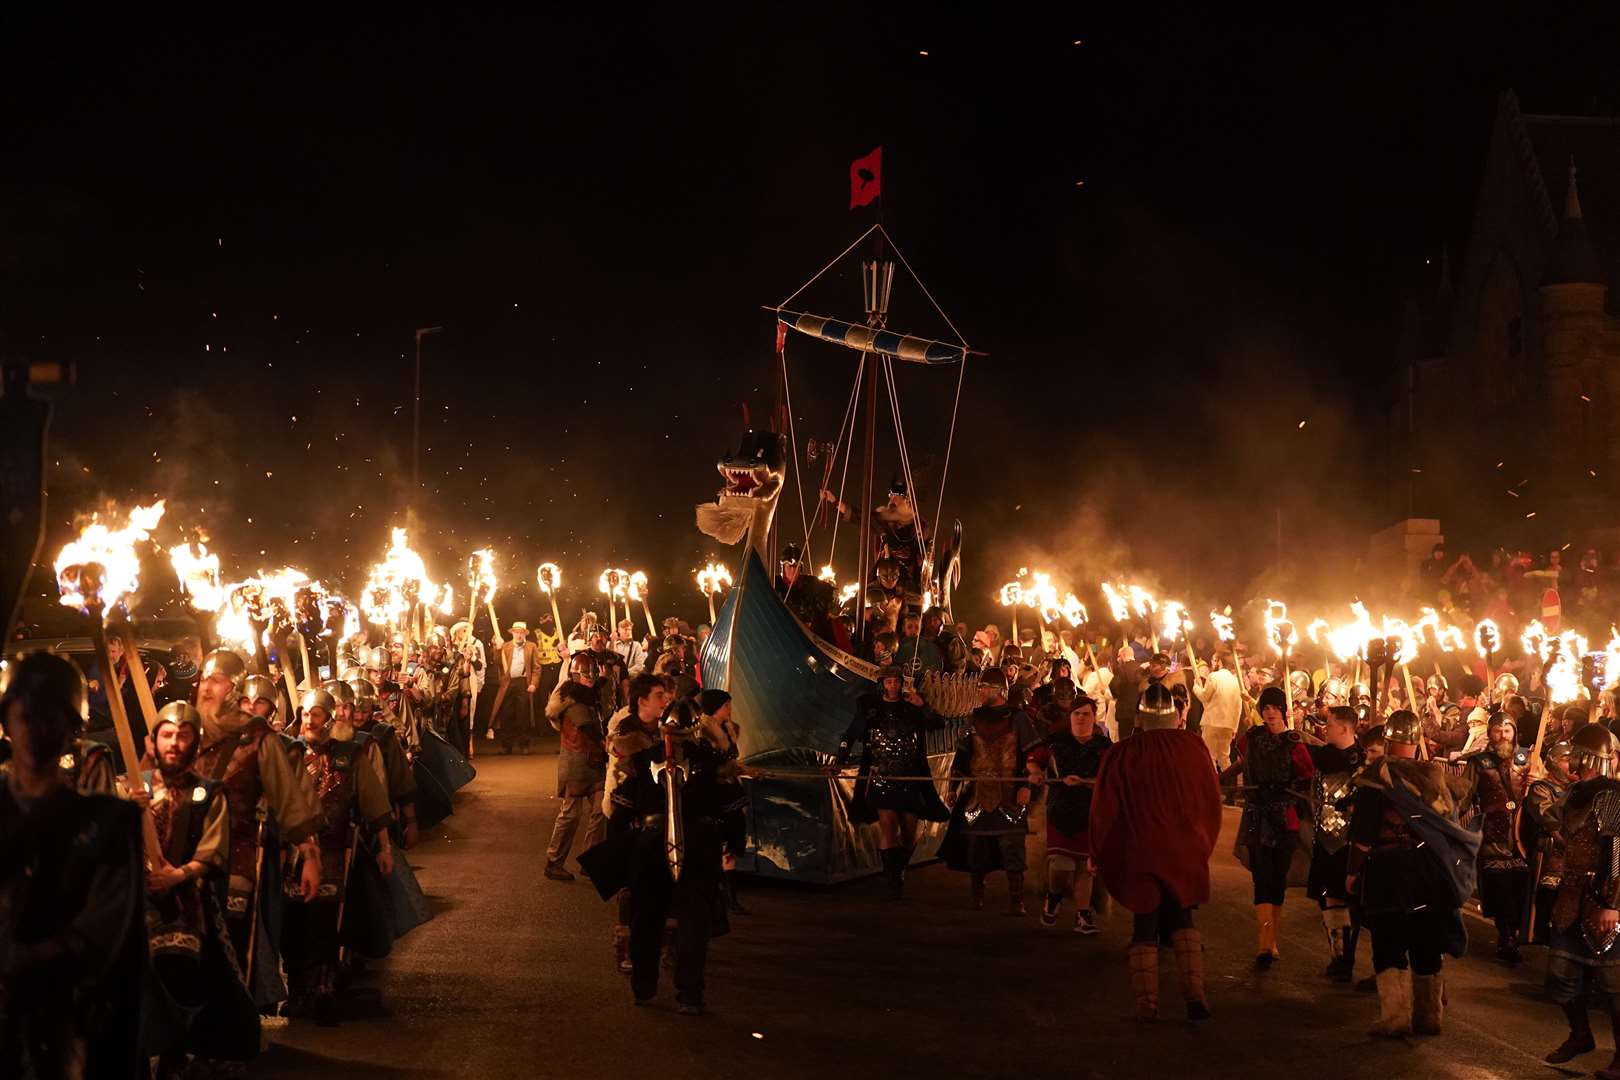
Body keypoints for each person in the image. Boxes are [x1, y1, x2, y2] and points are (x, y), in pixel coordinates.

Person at [0, 651, 145, 1078]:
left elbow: (105, 931)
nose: (36, 729)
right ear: (7, 721)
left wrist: (31, 957)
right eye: (26, 714)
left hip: (65, 1017)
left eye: (50, 716)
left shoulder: (104, 825)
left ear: (70, 728)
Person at [190, 648, 323, 1005]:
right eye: (203, 679)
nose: (205, 688)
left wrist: (309, 853)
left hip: (236, 859)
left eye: (215, 680)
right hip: (184, 858)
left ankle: (233, 1035)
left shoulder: (258, 739)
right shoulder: (183, 730)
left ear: (233, 688)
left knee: (232, 949)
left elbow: (289, 799)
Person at [1089, 681, 1222, 1021]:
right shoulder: (1193, 747)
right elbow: (1209, 797)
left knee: (1145, 924)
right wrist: (1201, 842)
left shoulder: (1122, 752)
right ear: (1176, 715)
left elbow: (1106, 808)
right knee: (1182, 918)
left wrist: (1099, 849)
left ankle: (1147, 1004)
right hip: (1182, 850)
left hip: (1141, 851)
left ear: (1141, 715)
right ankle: (1195, 994)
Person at [140, 701, 257, 1075]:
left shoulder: (208, 793)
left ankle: (175, 1053)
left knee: (178, 967)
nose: (174, 743)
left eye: (183, 735)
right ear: (152, 741)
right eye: (167, 735)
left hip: (184, 904)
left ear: (195, 742)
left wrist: (179, 874)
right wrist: (124, 810)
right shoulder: (131, 790)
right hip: (133, 906)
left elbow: (212, 851)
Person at [1346, 710, 1478, 1038]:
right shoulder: (1436, 778)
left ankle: (1395, 1017)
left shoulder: (1377, 778)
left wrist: (1351, 872)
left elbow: (1362, 838)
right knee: (1425, 941)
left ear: (1389, 741)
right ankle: (1429, 1016)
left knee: (1389, 941)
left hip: (1390, 871)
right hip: (1432, 872)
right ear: (1416, 742)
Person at [611, 677, 730, 1013]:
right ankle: (687, 994)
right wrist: (731, 843)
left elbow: (620, 813)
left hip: (653, 847)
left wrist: (621, 852)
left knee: (649, 919)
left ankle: (645, 989)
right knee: (690, 922)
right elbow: (731, 806)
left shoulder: (644, 758)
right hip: (695, 848)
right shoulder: (709, 759)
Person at [281, 689, 395, 1025]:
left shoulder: (351, 755)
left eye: (315, 714)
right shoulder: (288, 755)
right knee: (293, 921)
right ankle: (297, 987)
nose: (308, 721)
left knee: (326, 920)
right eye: (305, 714)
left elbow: (373, 801)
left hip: (333, 851)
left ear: (329, 718)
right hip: (293, 853)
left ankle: (323, 985)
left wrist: (385, 846)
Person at [832, 664, 949, 900]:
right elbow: (851, 734)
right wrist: (839, 760)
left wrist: (923, 706)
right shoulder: (870, 708)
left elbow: (939, 724)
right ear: (882, 683)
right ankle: (893, 881)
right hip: (881, 776)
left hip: (910, 776)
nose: (893, 686)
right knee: (888, 825)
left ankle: (899, 867)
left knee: (908, 830)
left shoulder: (913, 706)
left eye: (896, 681)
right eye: (889, 682)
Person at [1542, 724, 1620, 1072]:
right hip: (1571, 895)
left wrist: (1612, 904)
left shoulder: (1611, 796)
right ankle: (1580, 1034)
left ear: (1589, 756)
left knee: (1613, 987)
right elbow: (1549, 820)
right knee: (1560, 971)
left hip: (1601, 898)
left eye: (1575, 753)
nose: (1569, 759)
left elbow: (1618, 850)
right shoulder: (1576, 794)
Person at [1226, 685, 1314, 969]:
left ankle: (1271, 940)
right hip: (1256, 817)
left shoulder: (1295, 743)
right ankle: (1264, 944)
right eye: (1265, 708)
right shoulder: (1251, 739)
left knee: (1277, 881)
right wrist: (1215, 780)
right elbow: (1240, 764)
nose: (1270, 713)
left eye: (1275, 708)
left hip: (1284, 819)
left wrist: (1287, 788)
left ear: (1283, 711)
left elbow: (1308, 777)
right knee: (1261, 879)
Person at [943, 668, 1037, 914]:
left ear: (999, 690)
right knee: (976, 851)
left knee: (1013, 851)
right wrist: (953, 786)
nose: (980, 691)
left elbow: (1031, 754)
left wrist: (1026, 785)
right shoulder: (973, 719)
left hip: (1010, 794)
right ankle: (977, 896)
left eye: (984, 687)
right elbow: (963, 755)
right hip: (978, 793)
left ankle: (1017, 900)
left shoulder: (1018, 718)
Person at [1026, 694, 1111, 933]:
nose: (1081, 718)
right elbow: (1034, 760)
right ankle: (1053, 899)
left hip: (1090, 811)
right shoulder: (1055, 743)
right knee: (1061, 865)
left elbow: (1112, 778)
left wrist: (1086, 781)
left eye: (1086, 714)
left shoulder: (1105, 748)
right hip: (1059, 809)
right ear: (1070, 716)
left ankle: (1083, 915)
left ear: (1094, 718)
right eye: (1077, 713)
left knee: (1085, 868)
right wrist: (1034, 772)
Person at [1458, 712, 1529, 963]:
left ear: (1515, 733)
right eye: (1498, 730)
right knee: (1499, 887)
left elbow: (1546, 791)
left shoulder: (1528, 759)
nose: (1503, 735)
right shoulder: (1480, 762)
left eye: (1507, 730)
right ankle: (1506, 934)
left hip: (1522, 836)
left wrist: (1539, 780)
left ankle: (1515, 932)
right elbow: (1464, 796)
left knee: (1519, 886)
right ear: (1490, 733)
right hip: (1493, 834)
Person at [1305, 705, 1366, 981]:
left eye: (1329, 724)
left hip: (1352, 842)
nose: (1324, 728)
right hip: (1325, 839)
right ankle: (1339, 957)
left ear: (1344, 727)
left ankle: (1349, 959)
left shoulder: (1362, 761)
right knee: (1329, 899)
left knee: (1353, 902)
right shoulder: (1322, 758)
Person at [543, 652, 607, 881]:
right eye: (586, 674)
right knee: (570, 814)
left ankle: (589, 860)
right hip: (576, 762)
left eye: (592, 674)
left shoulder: (592, 696)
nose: (590, 678)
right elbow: (588, 726)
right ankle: (553, 861)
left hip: (594, 761)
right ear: (575, 674)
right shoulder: (572, 699)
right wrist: (606, 741)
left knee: (601, 810)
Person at [1522, 738, 1573, 946]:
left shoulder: (1576, 789)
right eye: (1566, 759)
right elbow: (1547, 816)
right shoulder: (1542, 788)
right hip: (1549, 850)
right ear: (1553, 761)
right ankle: (1540, 933)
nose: (1571, 765)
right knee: (1546, 895)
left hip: (1571, 853)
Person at [488, 620, 542, 753]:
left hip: (523, 682)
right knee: (506, 713)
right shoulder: (505, 646)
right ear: (512, 633)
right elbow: (497, 662)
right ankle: (507, 746)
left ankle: (524, 745)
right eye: (516, 632)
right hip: (508, 683)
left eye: (521, 632)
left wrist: (533, 684)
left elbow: (536, 667)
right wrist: (497, 648)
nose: (518, 635)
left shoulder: (531, 646)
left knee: (523, 714)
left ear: (525, 634)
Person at [1193, 654, 1242, 771]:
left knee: (1209, 756)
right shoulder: (1236, 681)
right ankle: (1229, 784)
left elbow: (1204, 696)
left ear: (1219, 662)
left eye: (1214, 660)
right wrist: (1235, 727)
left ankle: (1214, 784)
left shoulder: (1213, 676)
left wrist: (1195, 687)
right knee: (1224, 757)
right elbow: (1238, 707)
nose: (1213, 663)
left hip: (1213, 722)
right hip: (1228, 725)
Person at [892, 610, 943, 679]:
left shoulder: (928, 645)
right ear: (903, 628)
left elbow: (935, 663)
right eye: (909, 627)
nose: (913, 630)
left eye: (916, 627)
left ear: (921, 627)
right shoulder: (898, 645)